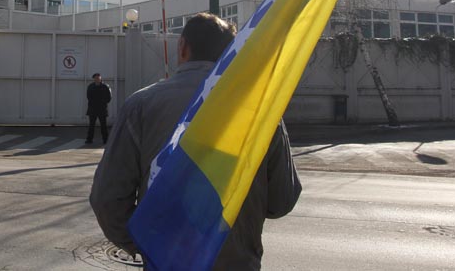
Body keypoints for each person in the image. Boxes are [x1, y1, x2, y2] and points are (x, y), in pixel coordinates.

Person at [90, 13, 302, 270]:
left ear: (182, 47)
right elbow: (283, 200)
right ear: (231, 53)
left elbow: (107, 198)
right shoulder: (261, 111)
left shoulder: (142, 106)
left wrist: (144, 244)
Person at [85, 72, 111, 144]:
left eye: (98, 78)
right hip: (92, 109)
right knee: (91, 125)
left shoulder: (106, 86)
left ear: (100, 78)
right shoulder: (90, 86)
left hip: (102, 109)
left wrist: (102, 103)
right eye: (95, 78)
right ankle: (89, 139)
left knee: (103, 126)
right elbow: (88, 97)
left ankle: (105, 140)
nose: (97, 79)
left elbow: (109, 98)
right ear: (94, 79)